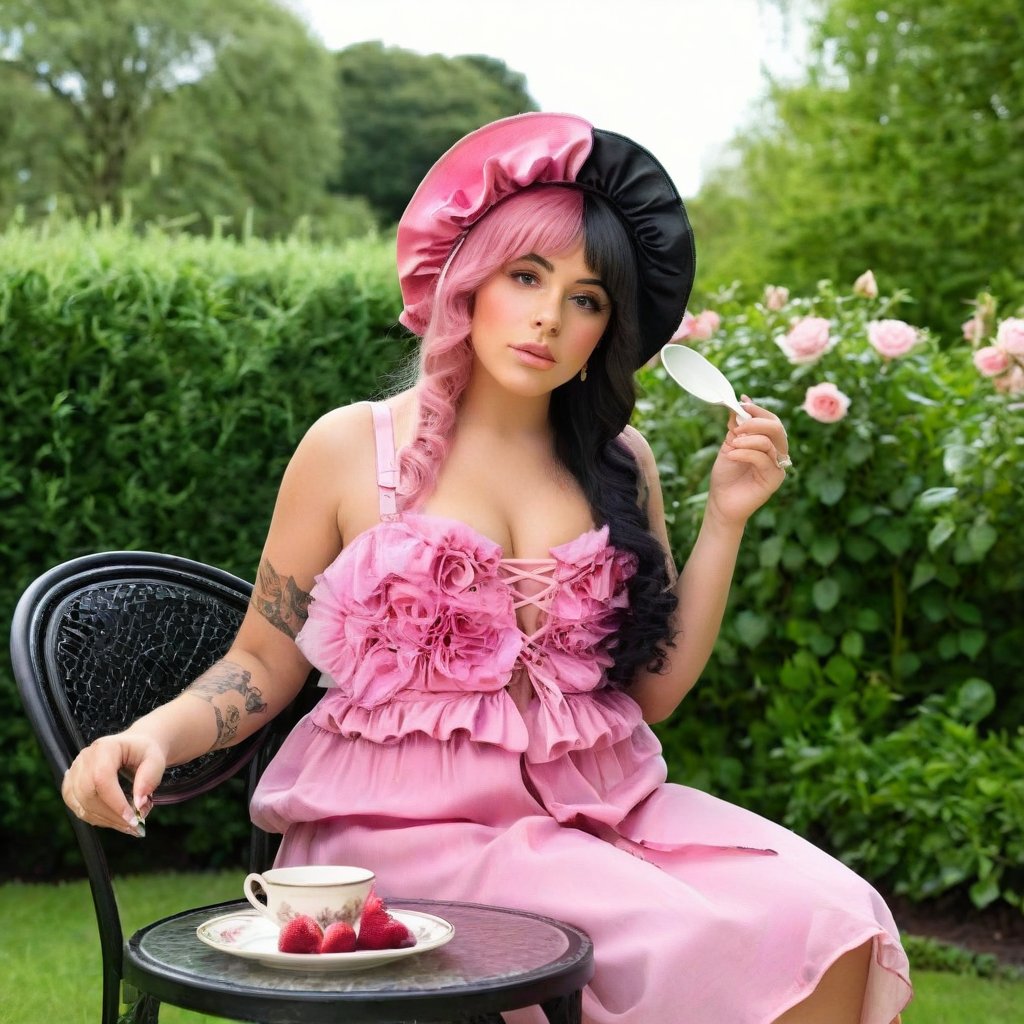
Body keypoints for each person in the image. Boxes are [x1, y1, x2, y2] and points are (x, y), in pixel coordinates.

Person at [62, 112, 912, 1023]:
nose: (550, 315)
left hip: (601, 816)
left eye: (587, 299)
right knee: (696, 936)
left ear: (607, 331)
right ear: (471, 280)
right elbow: (264, 666)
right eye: (527, 276)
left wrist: (728, 522)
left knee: (835, 916)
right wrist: (148, 735)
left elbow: (652, 695)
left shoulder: (620, 462)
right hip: (405, 838)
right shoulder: (354, 448)